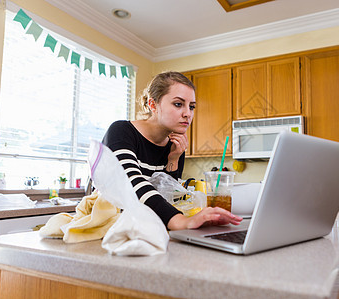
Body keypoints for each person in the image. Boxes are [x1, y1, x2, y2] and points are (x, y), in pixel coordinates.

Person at [102, 71, 242, 230]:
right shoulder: (121, 131)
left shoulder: (175, 146)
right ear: (153, 105)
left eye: (192, 107)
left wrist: (173, 160)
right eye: (178, 104)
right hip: (110, 228)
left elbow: (168, 198)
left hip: (146, 228)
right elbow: (130, 184)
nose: (187, 114)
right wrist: (181, 221)